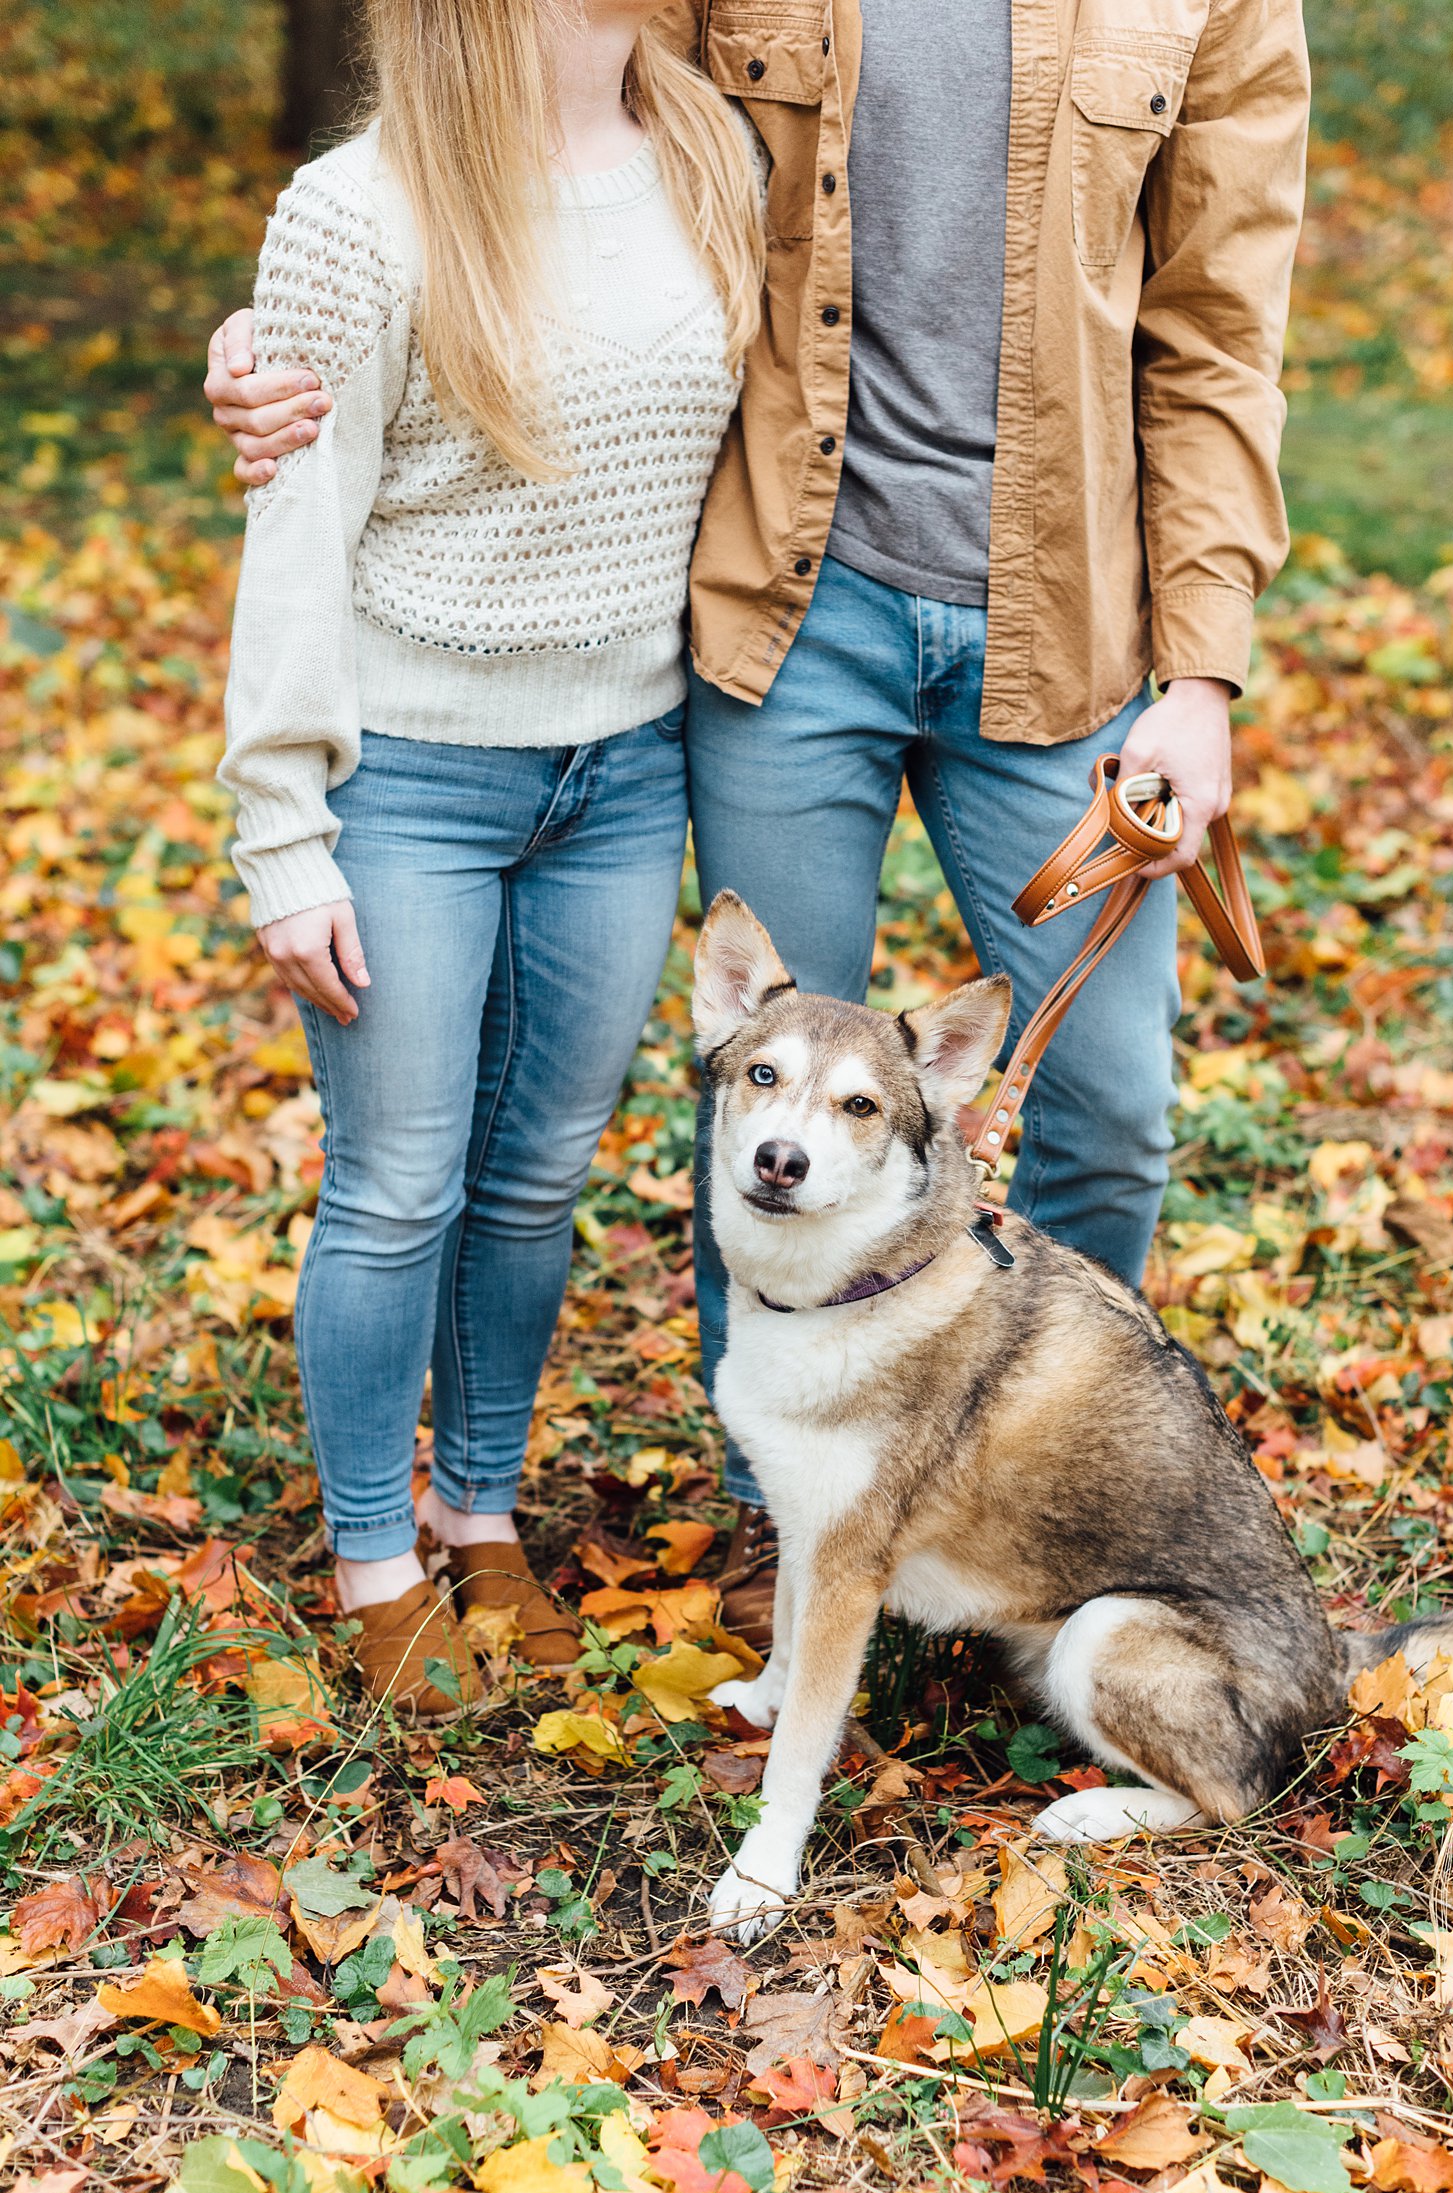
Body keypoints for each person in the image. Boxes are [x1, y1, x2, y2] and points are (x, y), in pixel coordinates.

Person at [208, 0, 1310, 1653]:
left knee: (1113, 1109)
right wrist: (276, 341)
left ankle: (1034, 1517)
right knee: (769, 1100)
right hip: (788, 620)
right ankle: (793, 1528)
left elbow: (1218, 332)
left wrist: (1204, 673)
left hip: (1065, 634)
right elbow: (509, 86)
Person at [216, 0, 763, 1708]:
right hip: (413, 774)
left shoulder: (711, 154)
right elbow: (296, 520)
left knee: (537, 1181)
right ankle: (376, 1558)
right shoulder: (357, 211)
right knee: (395, 1190)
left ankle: (479, 1512)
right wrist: (284, 830)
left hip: (627, 764)